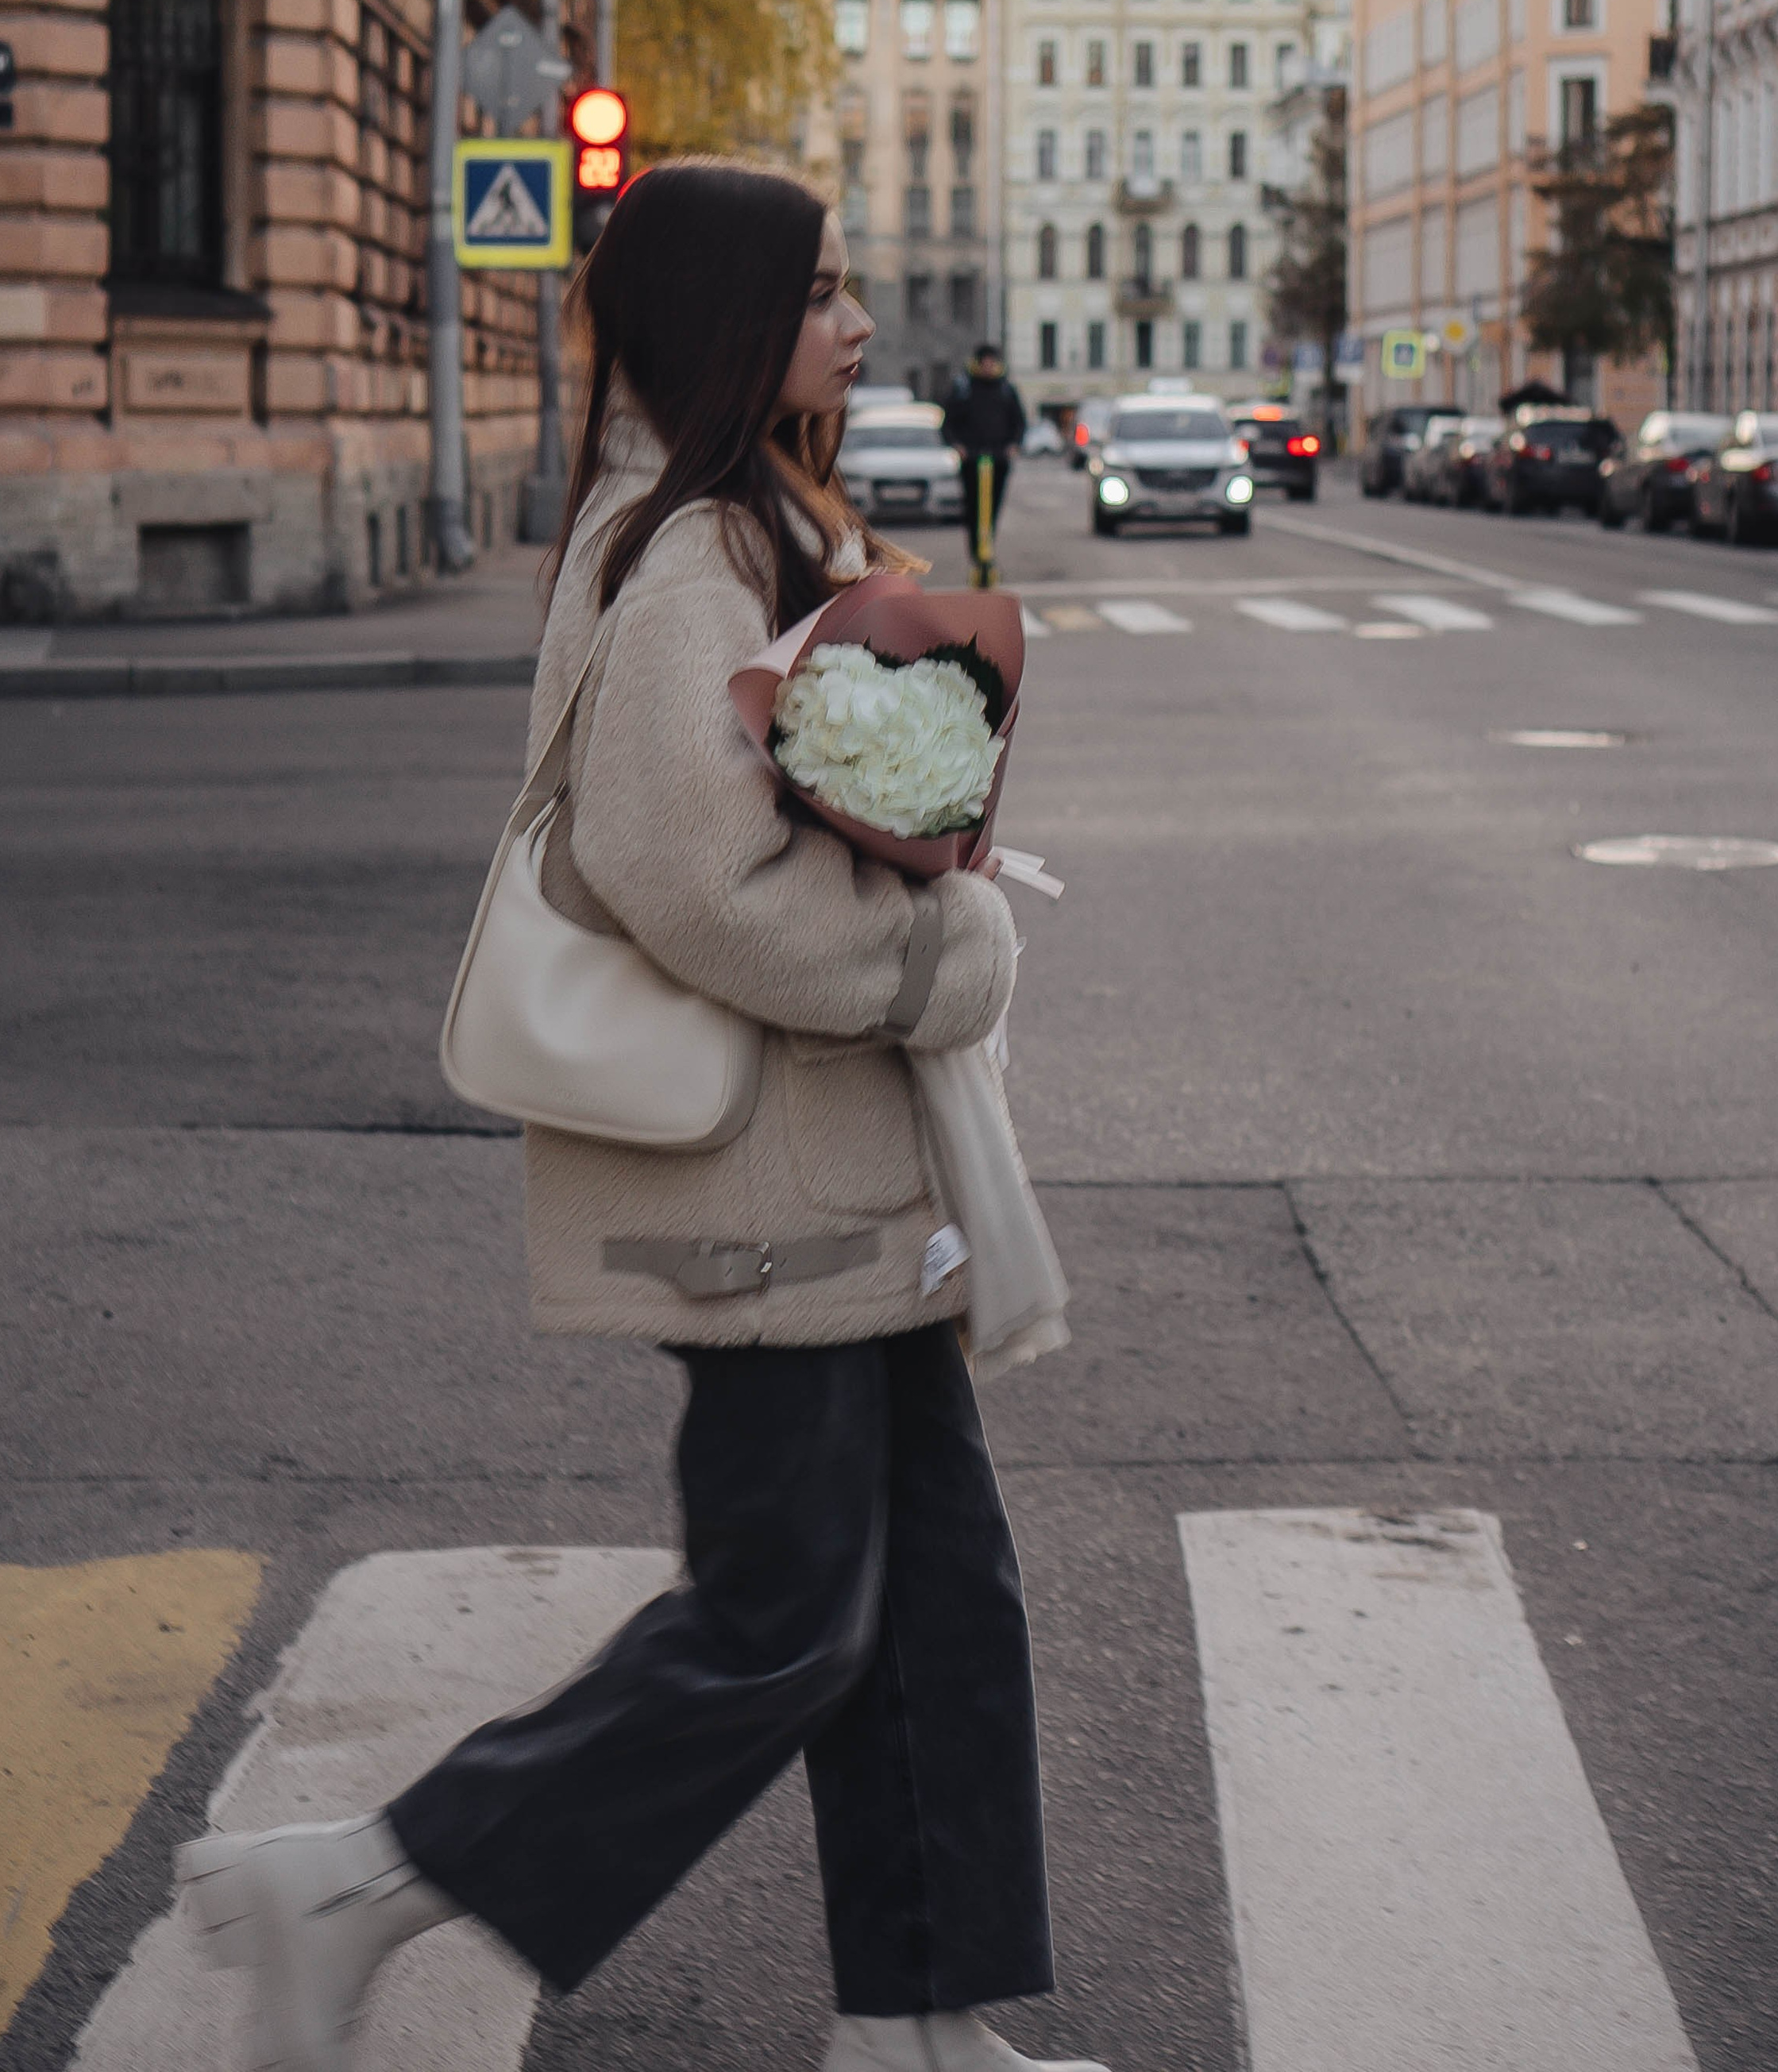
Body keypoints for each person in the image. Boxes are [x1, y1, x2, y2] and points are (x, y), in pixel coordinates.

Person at [175, 160, 1104, 2072]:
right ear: (729, 324)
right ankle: (349, 1881)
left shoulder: (753, 528)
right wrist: (938, 953)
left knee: (933, 1602)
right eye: (823, 289)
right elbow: (682, 876)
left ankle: (915, 2028)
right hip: (760, 1181)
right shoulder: (684, 559)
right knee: (782, 1621)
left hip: (842, 1172)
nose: (856, 322)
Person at [943, 344, 1027, 572]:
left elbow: (1019, 423)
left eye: (992, 362)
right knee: (973, 508)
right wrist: (958, 446)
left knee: (993, 507)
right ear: (978, 364)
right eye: (985, 362)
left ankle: (987, 547)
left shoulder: (1006, 390)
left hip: (999, 460)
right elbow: (948, 423)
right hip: (971, 461)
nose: (989, 366)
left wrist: (1013, 446)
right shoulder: (964, 389)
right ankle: (976, 553)